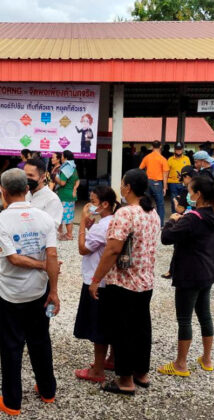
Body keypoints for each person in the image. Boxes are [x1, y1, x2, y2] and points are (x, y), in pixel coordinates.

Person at [0, 168, 59, 416]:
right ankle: (47, 390)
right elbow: (52, 255)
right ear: (28, 189)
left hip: (12, 293)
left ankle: (12, 402)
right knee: (41, 340)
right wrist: (54, 291)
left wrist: (41, 266)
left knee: (11, 345)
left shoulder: (1, 220)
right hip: (39, 290)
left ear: (4, 192)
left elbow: (13, 258)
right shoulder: (44, 218)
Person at [89, 168, 160, 395]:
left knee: (123, 331)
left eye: (122, 183)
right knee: (141, 328)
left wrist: (96, 279)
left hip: (124, 281)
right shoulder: (153, 213)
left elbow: (112, 249)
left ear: (127, 187)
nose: (120, 186)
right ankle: (141, 373)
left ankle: (125, 380)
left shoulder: (126, 213)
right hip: (145, 280)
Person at [159, 176, 214, 377]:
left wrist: (171, 221)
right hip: (207, 272)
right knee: (205, 314)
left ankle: (180, 364)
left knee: (184, 319)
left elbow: (166, 238)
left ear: (198, 194)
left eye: (189, 190)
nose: (187, 194)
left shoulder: (192, 218)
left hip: (189, 273)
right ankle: (206, 359)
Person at [73, 186, 118, 383]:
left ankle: (97, 370)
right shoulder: (115, 222)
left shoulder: (102, 226)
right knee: (111, 323)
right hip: (112, 281)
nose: (89, 206)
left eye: (93, 202)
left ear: (105, 204)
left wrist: (82, 223)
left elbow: (83, 249)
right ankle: (112, 359)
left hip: (96, 280)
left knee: (98, 326)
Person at [162, 165, 196, 279]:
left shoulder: (186, 190)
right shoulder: (201, 187)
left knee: (178, 247)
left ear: (187, 177)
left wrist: (176, 203)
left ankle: (172, 271)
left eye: (183, 178)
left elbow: (180, 209)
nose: (182, 181)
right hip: (197, 221)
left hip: (184, 220)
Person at [24, 158, 63, 228]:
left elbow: (51, 228)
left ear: (42, 177)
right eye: (25, 175)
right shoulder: (24, 194)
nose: (27, 178)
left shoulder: (52, 200)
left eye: (31, 175)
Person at [139, 140, 169, 225]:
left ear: (152, 147)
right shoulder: (162, 159)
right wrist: (165, 187)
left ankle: (145, 223)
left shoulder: (147, 157)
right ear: (160, 147)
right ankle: (160, 224)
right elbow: (165, 174)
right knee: (160, 204)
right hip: (157, 183)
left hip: (147, 182)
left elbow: (140, 169)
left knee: (146, 203)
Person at [54, 150, 79, 240]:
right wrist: (75, 189)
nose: (61, 157)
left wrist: (55, 178)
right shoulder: (73, 167)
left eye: (62, 156)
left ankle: (67, 235)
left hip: (64, 195)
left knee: (62, 215)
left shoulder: (66, 168)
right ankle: (68, 234)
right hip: (71, 195)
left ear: (65, 157)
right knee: (69, 215)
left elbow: (63, 183)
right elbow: (77, 180)